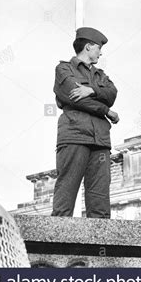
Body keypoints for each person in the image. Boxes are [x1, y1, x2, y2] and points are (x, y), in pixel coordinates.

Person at [51, 27, 119, 219]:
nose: (101, 52)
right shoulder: (64, 69)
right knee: (66, 192)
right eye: (98, 47)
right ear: (88, 47)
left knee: (100, 200)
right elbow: (75, 98)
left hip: (100, 140)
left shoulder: (100, 75)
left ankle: (100, 247)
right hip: (75, 135)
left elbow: (112, 94)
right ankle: (57, 244)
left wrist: (91, 91)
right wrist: (106, 110)